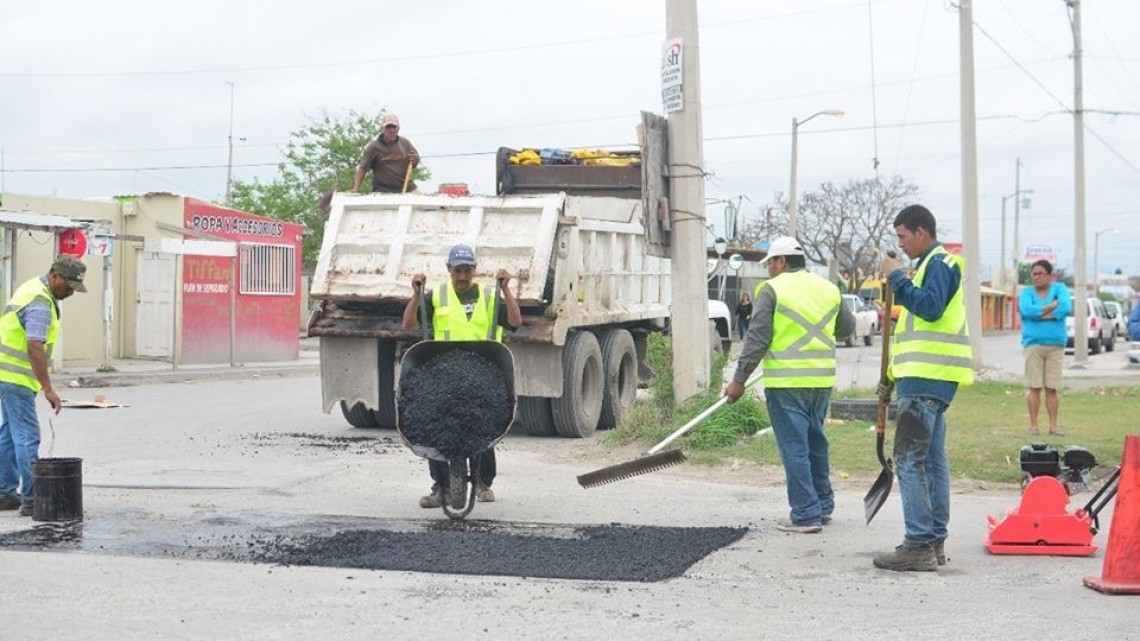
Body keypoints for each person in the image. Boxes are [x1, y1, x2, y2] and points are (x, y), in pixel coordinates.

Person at [725, 236, 854, 534]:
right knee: (815, 443)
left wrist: (738, 381)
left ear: (781, 262)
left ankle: (806, 514)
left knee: (794, 447)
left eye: (770, 262)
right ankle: (822, 505)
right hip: (821, 381)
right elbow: (846, 329)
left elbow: (756, 340)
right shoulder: (829, 288)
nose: (769, 268)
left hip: (786, 383)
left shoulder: (772, 290)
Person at [873, 205, 973, 572]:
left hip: (927, 378)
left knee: (910, 460)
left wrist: (897, 279)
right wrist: (890, 376)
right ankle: (934, 541)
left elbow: (930, 308)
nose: (900, 243)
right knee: (932, 459)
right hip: (928, 377)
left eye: (902, 236)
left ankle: (918, 544)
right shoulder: (933, 265)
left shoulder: (942, 264)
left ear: (921, 232)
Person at [402, 243, 522, 508]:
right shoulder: (436, 296)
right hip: (443, 375)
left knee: (486, 427)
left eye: (467, 270)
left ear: (474, 270)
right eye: (458, 270)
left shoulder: (490, 297)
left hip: (483, 374)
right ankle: (440, 487)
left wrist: (506, 290)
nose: (463, 276)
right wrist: (415, 295)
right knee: (434, 429)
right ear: (449, 270)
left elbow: (514, 322)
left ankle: (483, 483)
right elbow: (408, 325)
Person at [0, 256, 87, 516]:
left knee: (9, 433)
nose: (70, 292)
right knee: (27, 436)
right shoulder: (40, 302)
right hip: (16, 378)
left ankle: (5, 493)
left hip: (7, 374)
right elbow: (34, 346)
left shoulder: (33, 289)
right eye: (68, 286)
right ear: (54, 276)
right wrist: (48, 388)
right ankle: (32, 498)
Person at [1018, 260, 1071, 437]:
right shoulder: (1026, 293)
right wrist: (1051, 307)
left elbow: (1065, 307)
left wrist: (1038, 313)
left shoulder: (1060, 289)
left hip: (1055, 345)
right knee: (1034, 386)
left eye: (1041, 273)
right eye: (1034, 274)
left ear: (1049, 275)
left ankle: (1054, 426)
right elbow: (1026, 312)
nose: (1037, 277)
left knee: (1052, 387)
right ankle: (1033, 426)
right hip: (1033, 344)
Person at [351, 113, 421, 194]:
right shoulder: (373, 147)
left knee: (425, 203)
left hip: (407, 189)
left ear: (398, 129)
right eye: (388, 127)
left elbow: (413, 162)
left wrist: (416, 160)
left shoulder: (405, 144)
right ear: (382, 129)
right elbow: (362, 168)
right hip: (382, 191)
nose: (391, 130)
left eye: (394, 127)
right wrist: (356, 189)